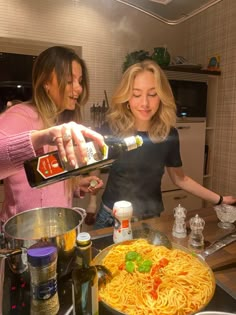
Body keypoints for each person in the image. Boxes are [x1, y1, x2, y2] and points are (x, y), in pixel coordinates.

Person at [93, 59, 236, 229]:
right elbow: (95, 166)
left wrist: (219, 199)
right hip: (110, 217)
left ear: (161, 96)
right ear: (126, 97)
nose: (145, 103)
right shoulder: (111, 128)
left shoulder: (168, 134)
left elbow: (180, 179)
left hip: (149, 220)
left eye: (152, 94)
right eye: (136, 94)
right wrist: (92, 202)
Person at [0, 46, 105, 224]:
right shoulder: (19, 115)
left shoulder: (60, 121)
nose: (78, 88)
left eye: (80, 81)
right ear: (46, 82)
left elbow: (44, 182)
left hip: (58, 231)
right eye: (70, 81)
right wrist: (40, 137)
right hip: (22, 237)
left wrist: (75, 185)